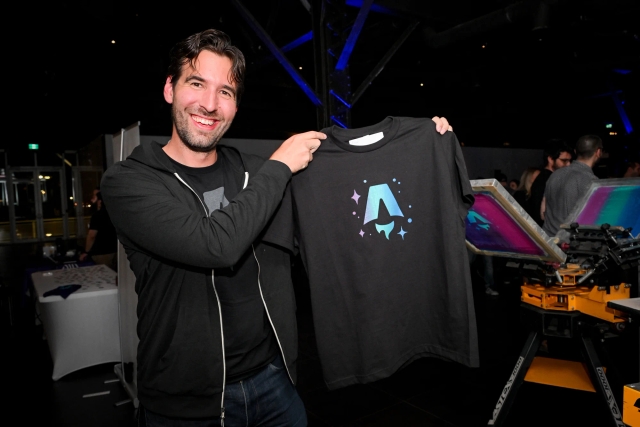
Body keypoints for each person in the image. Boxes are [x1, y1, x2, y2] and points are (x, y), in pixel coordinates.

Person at [101, 29, 453, 426]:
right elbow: (214, 245)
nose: (210, 104)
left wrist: (422, 148)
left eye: (226, 92)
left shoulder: (255, 172)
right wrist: (281, 164)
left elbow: (346, 213)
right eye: (197, 84)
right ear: (170, 89)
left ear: (236, 105)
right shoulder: (129, 181)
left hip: (274, 383)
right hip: (185, 402)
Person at [542, 135, 603, 238]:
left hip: (548, 241)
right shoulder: (592, 182)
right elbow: (594, 220)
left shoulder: (554, 175)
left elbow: (542, 212)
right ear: (598, 152)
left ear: (575, 151)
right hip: (570, 245)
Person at [529, 139, 573, 226]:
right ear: (550, 159)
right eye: (564, 160)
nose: (568, 164)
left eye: (569, 161)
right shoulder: (548, 179)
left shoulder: (546, 178)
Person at [79, 190, 117, 270]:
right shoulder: (114, 213)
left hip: (101, 253)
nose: (92, 200)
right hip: (115, 250)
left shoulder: (97, 216)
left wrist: (86, 252)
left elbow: (92, 235)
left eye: (94, 198)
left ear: (100, 201)